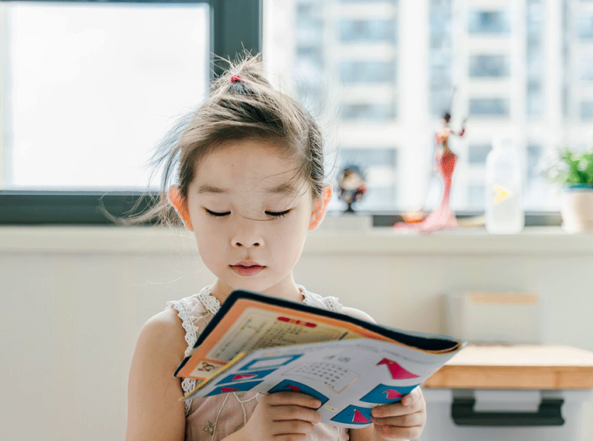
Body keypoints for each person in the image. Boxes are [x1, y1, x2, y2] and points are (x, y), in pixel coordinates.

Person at [125, 54, 426, 441]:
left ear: (316, 209)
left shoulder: (353, 337)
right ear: (184, 208)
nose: (247, 236)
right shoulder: (167, 340)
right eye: (219, 211)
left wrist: (397, 427)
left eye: (276, 210)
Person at [394, 112, 466, 232]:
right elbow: (447, 141)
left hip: (446, 158)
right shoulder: (442, 131)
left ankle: (445, 215)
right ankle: (442, 215)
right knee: (445, 186)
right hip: (443, 158)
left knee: (447, 186)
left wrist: (462, 125)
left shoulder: (442, 131)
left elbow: (459, 134)